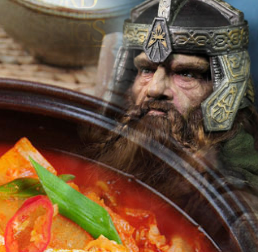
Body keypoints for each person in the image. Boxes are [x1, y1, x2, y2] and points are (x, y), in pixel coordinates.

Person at [88, 0, 258, 198]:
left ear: (224, 89)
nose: (155, 89)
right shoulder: (106, 137)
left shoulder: (240, 182)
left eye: (186, 73)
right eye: (146, 70)